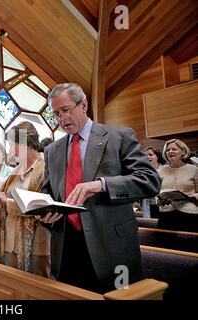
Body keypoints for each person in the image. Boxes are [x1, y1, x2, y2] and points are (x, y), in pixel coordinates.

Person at [36, 83, 162, 293]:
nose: (61, 119)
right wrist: (44, 210)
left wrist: (102, 185)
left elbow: (150, 180)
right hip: (66, 246)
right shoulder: (52, 150)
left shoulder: (118, 137)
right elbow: (48, 191)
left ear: (83, 104)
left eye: (66, 110)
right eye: (56, 114)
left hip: (111, 246)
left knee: (118, 298)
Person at [0, 121, 51, 277]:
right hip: (9, 242)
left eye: (11, 145)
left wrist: (6, 202)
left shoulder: (45, 169)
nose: (9, 150)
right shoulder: (15, 171)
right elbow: (0, 204)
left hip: (37, 243)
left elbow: (39, 206)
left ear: (25, 143)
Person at [157, 139, 198, 232]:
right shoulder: (160, 171)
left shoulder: (194, 169)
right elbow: (157, 192)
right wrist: (159, 200)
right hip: (166, 214)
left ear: (183, 151)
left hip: (189, 214)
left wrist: (191, 197)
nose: (170, 151)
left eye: (174, 149)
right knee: (164, 244)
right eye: (167, 150)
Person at [140, 146, 165, 217]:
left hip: (163, 204)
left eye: (150, 155)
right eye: (145, 156)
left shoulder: (165, 169)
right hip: (149, 205)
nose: (147, 157)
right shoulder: (142, 171)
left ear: (158, 156)